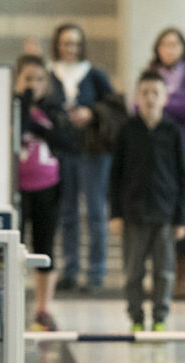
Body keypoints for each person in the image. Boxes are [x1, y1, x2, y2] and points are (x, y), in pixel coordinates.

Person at [108, 71, 185, 332]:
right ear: (136, 97)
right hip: (133, 214)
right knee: (133, 272)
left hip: (165, 215)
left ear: (165, 98)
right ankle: (135, 317)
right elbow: (115, 175)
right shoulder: (127, 131)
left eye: (156, 93)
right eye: (144, 93)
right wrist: (116, 213)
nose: (150, 98)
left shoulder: (173, 132)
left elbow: (184, 177)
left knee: (164, 272)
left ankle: (159, 318)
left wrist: (182, 217)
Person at [49, 23, 115, 293]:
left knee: (96, 212)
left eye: (75, 43)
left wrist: (91, 114)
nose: (71, 48)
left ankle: (96, 272)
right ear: (58, 44)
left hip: (93, 152)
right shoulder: (50, 73)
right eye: (66, 42)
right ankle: (70, 269)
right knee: (67, 213)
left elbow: (113, 104)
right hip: (62, 151)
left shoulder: (94, 74)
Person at [15, 54, 72, 332]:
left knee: (45, 246)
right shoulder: (12, 108)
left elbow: (67, 140)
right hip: (16, 188)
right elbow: (17, 129)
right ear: (17, 80)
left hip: (47, 187)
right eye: (27, 78)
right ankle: (10, 306)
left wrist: (39, 124)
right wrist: (24, 102)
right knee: (15, 249)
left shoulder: (53, 109)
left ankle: (43, 309)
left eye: (39, 79)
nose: (33, 84)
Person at [149, 27, 185, 299]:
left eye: (175, 44)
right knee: (157, 209)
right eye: (165, 44)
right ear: (157, 49)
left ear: (183, 48)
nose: (170, 49)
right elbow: (139, 107)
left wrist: (161, 103)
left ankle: (180, 278)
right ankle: (158, 275)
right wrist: (173, 103)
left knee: (183, 209)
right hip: (156, 152)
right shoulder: (150, 74)